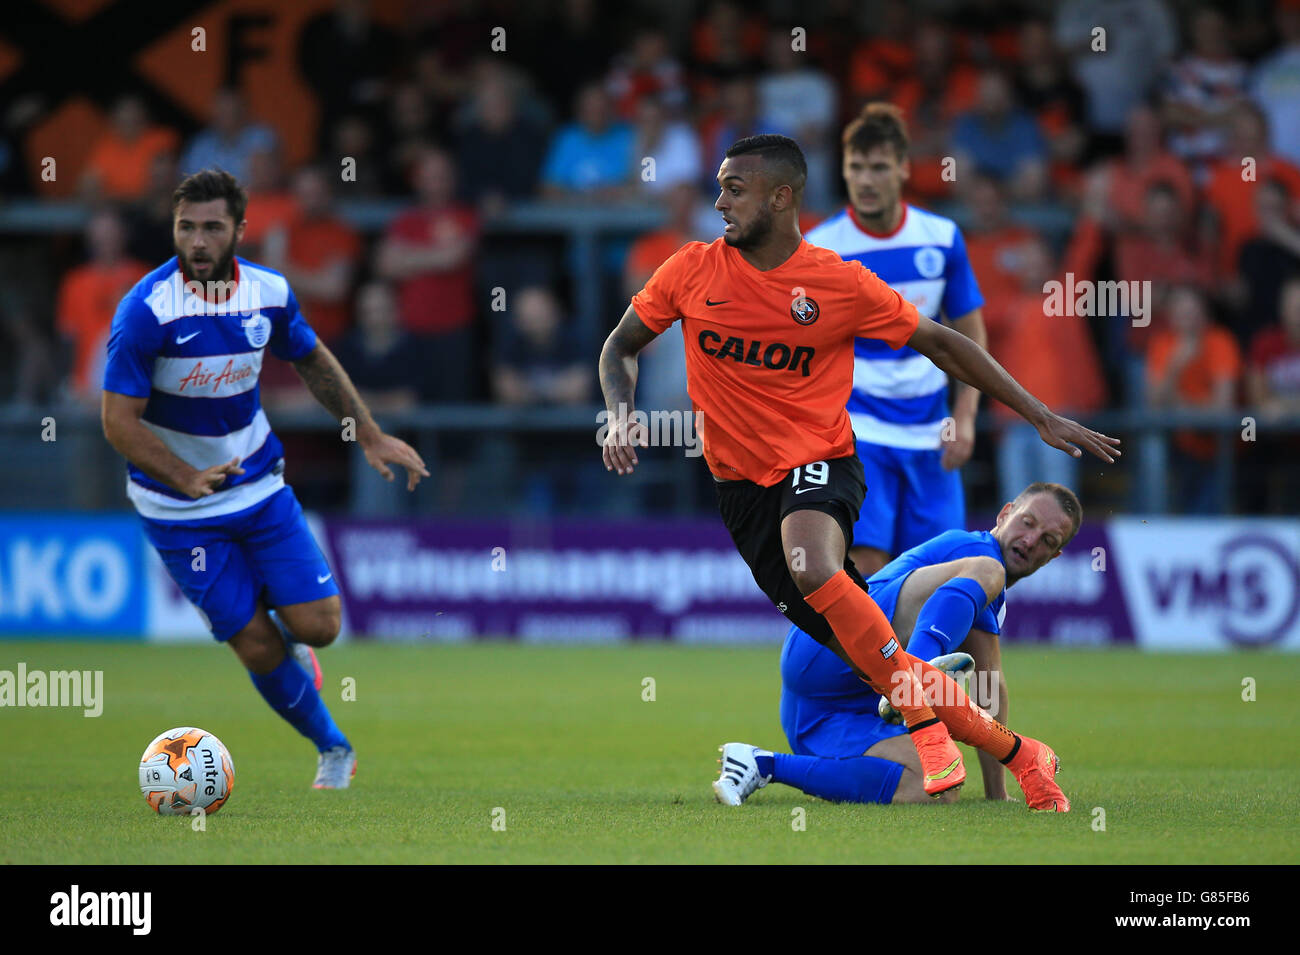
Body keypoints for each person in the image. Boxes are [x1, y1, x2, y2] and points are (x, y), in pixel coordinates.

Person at [600, 133, 1119, 799]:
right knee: (871, 652)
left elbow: (941, 340)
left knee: (814, 564)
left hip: (823, 462)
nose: (720, 201)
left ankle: (927, 730)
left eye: (735, 188)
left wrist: (1037, 413)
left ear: (781, 197)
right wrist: (620, 412)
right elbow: (620, 347)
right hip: (741, 490)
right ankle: (1021, 755)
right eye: (721, 186)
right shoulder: (690, 269)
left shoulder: (836, 281)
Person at [100, 169, 428, 788]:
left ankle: (293, 643)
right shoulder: (146, 310)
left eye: (212, 228)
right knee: (253, 642)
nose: (197, 241)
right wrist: (185, 475)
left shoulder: (270, 294)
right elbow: (117, 422)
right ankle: (333, 748)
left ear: (240, 231)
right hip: (176, 509)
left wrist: (370, 432)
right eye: (186, 227)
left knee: (321, 627)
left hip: (258, 486)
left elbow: (311, 359)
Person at [713, 483, 1080, 809]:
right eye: (1028, 522)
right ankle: (915, 679)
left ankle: (761, 764)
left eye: (1048, 540)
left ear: (1055, 555)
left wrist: (996, 793)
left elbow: (988, 688)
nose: (1031, 540)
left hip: (826, 717)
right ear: (1005, 514)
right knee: (987, 570)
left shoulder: (984, 589)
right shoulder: (978, 553)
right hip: (825, 649)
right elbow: (990, 688)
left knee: (934, 787)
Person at [806, 104, 988, 579]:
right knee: (867, 565)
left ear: (904, 168)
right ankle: (869, 657)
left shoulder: (941, 237)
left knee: (943, 571)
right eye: (856, 168)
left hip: (932, 432)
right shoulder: (823, 248)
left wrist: (965, 418)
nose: (866, 180)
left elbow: (971, 335)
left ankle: (918, 658)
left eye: (879, 167)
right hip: (858, 430)